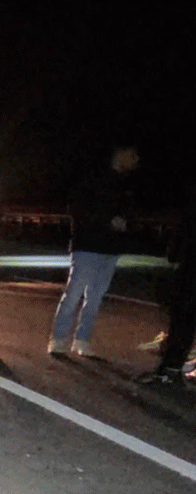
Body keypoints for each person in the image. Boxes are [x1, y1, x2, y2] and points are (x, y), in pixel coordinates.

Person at [47, 144, 140, 356]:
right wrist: (108, 220)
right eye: (132, 155)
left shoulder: (126, 186)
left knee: (96, 297)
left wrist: (126, 225)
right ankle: (59, 338)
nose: (135, 161)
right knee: (74, 293)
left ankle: (82, 339)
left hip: (111, 248)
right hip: (88, 246)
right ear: (120, 154)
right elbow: (79, 209)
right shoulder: (94, 178)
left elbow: (130, 215)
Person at [140, 180, 196, 386]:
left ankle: (169, 370)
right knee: (184, 320)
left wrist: (173, 257)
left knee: (183, 319)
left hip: (190, 265)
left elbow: (185, 228)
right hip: (188, 263)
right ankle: (173, 368)